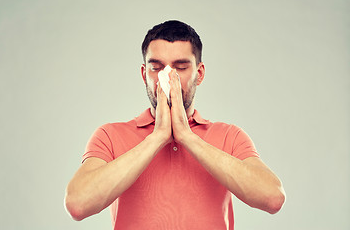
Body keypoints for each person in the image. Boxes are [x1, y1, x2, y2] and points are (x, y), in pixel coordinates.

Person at [64, 20, 286, 229]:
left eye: (180, 67)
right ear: (144, 74)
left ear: (199, 74)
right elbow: (78, 204)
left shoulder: (230, 136)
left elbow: (272, 198)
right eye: (156, 67)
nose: (168, 77)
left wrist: (186, 136)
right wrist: (158, 136)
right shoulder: (110, 135)